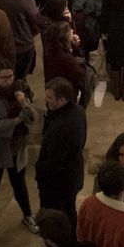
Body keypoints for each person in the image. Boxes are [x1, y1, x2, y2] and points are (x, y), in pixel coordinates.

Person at [0, 58, 40, 247]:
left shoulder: (19, 88)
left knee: (19, 184)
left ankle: (27, 215)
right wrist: (18, 119)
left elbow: (33, 118)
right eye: (4, 77)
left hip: (16, 147)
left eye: (11, 75)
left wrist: (24, 104)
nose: (9, 80)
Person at [37, 77, 87, 230]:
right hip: (74, 175)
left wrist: (39, 168)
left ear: (63, 99)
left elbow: (53, 163)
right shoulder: (79, 111)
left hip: (58, 183)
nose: (46, 101)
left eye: (50, 97)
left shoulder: (60, 126)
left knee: (54, 220)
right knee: (70, 209)